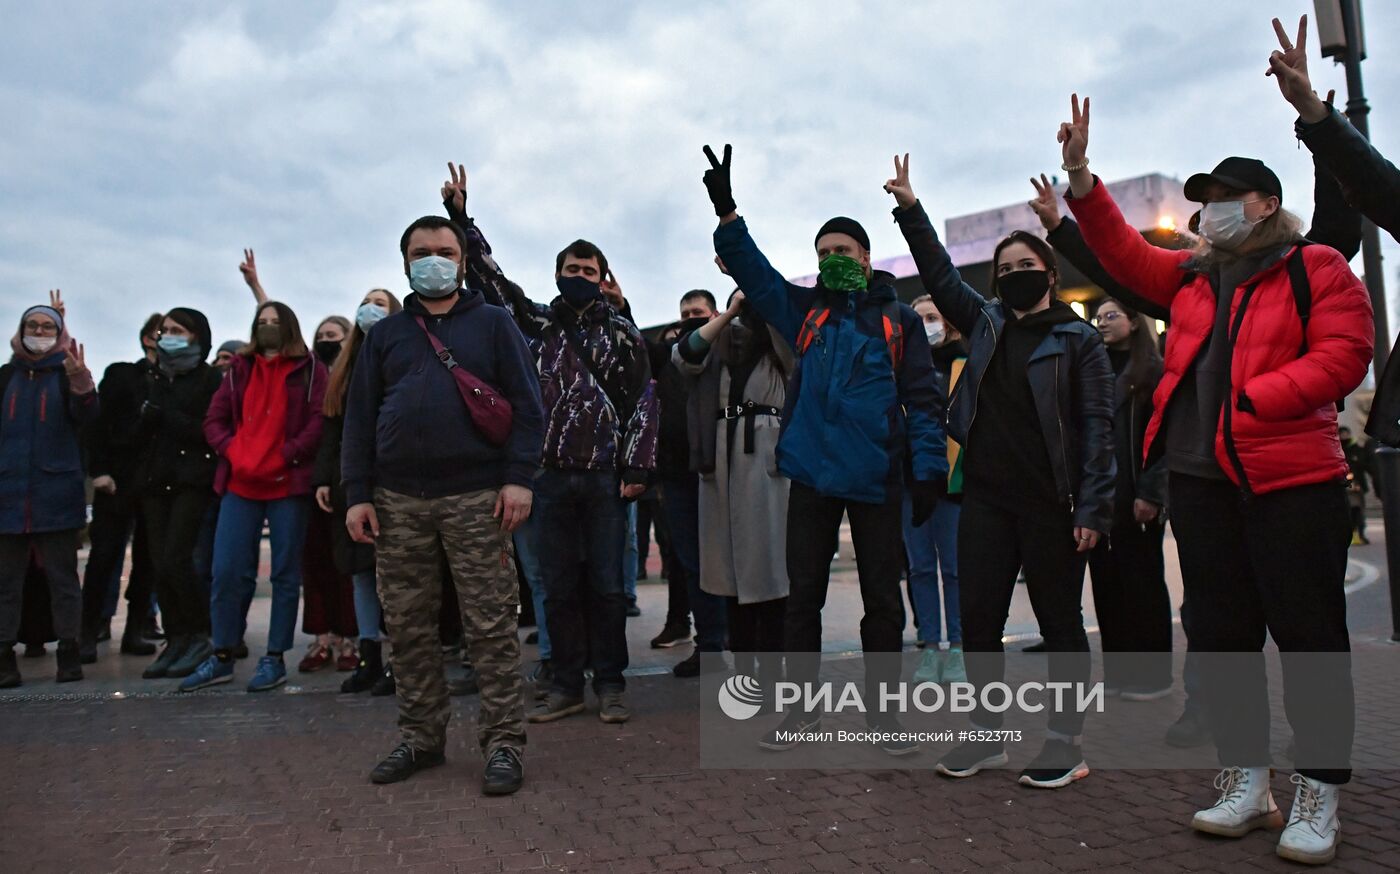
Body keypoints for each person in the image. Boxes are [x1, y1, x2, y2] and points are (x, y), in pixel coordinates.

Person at [1060, 93, 1371, 863]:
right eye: (1205, 203)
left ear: (1267, 204)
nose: (1212, 213)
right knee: (1224, 641)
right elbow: (1125, 257)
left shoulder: (1316, 267)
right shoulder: (1194, 279)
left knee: (1310, 643)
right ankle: (1247, 783)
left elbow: (1347, 351)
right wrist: (1082, 182)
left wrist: (1263, 395)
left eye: (1228, 199)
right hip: (1201, 485)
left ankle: (1319, 792)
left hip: (1292, 483)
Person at [699, 144, 947, 755]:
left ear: (866, 257)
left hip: (876, 477)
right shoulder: (804, 310)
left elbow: (922, 398)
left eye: (843, 251)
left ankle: (886, 720)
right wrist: (730, 215)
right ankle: (801, 714)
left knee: (883, 604)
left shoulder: (900, 322)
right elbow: (754, 274)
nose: (833, 259)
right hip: (808, 475)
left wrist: (928, 469)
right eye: (823, 254)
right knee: (801, 600)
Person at [887, 153, 1114, 788]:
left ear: (1050, 273)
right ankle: (985, 738)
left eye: (1026, 267)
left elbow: (1099, 430)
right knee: (981, 623)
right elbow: (936, 269)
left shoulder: (1080, 340)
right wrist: (910, 208)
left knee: (1060, 623)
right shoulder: (984, 322)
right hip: (984, 499)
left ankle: (1065, 745)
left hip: (1053, 503)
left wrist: (1094, 509)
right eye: (1005, 269)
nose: (1015, 276)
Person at [341, 215, 543, 794]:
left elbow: (529, 410)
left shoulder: (495, 324)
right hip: (398, 501)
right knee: (407, 628)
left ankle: (503, 743)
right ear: (405, 261)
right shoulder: (385, 336)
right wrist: (359, 494)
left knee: (490, 626)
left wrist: (519, 479)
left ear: (461, 260)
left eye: (445, 250)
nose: (435, 259)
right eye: (422, 251)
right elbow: (358, 421)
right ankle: (421, 738)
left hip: (478, 496)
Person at [182, 301, 328, 692]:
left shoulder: (311, 370)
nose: (267, 328)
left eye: (274, 322)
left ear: (289, 327)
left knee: (284, 574)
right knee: (226, 571)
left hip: (288, 485)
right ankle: (223, 655)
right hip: (239, 483)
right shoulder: (237, 371)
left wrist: (288, 452)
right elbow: (214, 420)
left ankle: (275, 657)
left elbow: (319, 421)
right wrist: (232, 450)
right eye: (261, 322)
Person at [673, 286, 792, 689]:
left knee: (773, 577)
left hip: (769, 462)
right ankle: (744, 677)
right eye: (740, 299)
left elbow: (797, 356)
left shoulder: (779, 345)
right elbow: (683, 356)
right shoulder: (716, 344)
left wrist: (771, 305)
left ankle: (774, 676)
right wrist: (728, 314)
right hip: (720, 463)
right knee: (732, 581)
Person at [0, 302, 99, 687]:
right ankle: (5, 655)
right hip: (7, 495)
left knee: (63, 580)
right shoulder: (6, 376)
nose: (39, 333)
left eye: (47, 327)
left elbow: (89, 421)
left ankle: (69, 653)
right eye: (33, 326)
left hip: (55, 494)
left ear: (58, 334)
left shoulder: (66, 373)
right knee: (6, 583)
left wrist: (82, 385)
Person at [1085, 298, 1171, 698]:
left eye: (1111, 315)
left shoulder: (1154, 371)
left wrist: (1152, 491)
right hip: (1101, 498)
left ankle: (1153, 676)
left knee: (1143, 584)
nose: (1101, 322)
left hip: (1138, 496)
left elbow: (1166, 440)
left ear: (1136, 322)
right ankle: (1120, 675)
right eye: (1098, 317)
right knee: (1106, 584)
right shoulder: (1093, 370)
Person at [316, 290, 400, 694]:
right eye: (367, 301)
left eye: (381, 302)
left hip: (396, 482)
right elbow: (333, 430)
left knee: (400, 577)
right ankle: (370, 656)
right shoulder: (344, 368)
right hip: (353, 483)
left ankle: (403, 660)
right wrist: (325, 479)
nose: (372, 308)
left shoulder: (404, 353)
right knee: (361, 574)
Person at [134, 308, 223, 680]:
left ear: (196, 336)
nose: (168, 335)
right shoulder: (155, 377)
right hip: (155, 481)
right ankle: (176, 638)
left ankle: (198, 635)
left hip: (191, 480)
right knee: (158, 564)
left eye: (177, 330)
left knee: (177, 559)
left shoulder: (209, 379)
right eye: (164, 330)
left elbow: (209, 430)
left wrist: (163, 416)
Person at [78, 311, 162, 662]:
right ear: (146, 338)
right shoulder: (122, 374)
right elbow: (98, 424)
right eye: (162, 332)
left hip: (158, 484)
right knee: (103, 558)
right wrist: (98, 470)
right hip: (117, 481)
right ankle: (86, 632)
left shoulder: (178, 381)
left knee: (148, 561)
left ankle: (135, 631)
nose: (168, 338)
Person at [658, 289, 730, 679]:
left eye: (698, 312)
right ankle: (710, 644)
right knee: (691, 563)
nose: (690, 318)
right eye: (684, 312)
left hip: (717, 470)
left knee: (726, 559)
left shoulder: (728, 349)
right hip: (677, 474)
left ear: (715, 314)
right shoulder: (673, 355)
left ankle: (732, 639)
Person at [905, 294, 966, 686]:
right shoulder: (900, 369)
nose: (925, 324)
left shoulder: (967, 363)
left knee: (955, 570)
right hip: (910, 482)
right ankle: (930, 647)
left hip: (955, 484)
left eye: (932, 316)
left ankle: (959, 647)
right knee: (920, 568)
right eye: (918, 319)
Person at [299, 315, 359, 673]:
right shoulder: (309, 373)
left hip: (344, 481)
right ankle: (321, 637)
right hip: (310, 480)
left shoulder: (355, 375)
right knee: (315, 563)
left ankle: (350, 637)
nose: (325, 340)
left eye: (333, 335)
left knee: (347, 566)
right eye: (320, 335)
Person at [1339, 427, 1369, 545]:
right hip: (1344, 487)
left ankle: (1360, 534)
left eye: (1346, 433)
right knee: (1349, 512)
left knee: (1358, 511)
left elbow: (1364, 465)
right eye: (1342, 434)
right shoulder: (1338, 449)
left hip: (1357, 486)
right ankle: (1352, 535)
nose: (1344, 436)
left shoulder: (1357, 449)